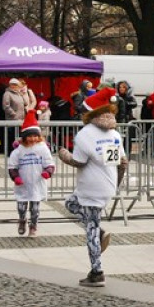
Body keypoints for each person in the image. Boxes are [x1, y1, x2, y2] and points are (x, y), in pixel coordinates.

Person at [57, 87, 127, 287]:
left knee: (91, 231)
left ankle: (97, 272)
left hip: (91, 186)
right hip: (107, 183)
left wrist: (63, 154)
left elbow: (78, 161)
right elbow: (123, 162)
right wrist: (115, 184)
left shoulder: (85, 134)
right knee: (71, 203)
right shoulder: (114, 133)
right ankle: (99, 230)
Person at [7, 111, 55, 237]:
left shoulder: (43, 148)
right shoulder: (18, 150)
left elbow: (49, 163)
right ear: (24, 137)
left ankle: (33, 226)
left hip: (37, 182)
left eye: (35, 136)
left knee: (35, 208)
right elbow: (12, 166)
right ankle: (22, 220)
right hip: (23, 183)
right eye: (29, 136)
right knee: (21, 207)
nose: (32, 139)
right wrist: (15, 177)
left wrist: (47, 172)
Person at [2, 77, 27, 152]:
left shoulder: (19, 94)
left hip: (20, 120)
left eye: (16, 85)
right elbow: (6, 106)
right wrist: (13, 114)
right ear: (9, 85)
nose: (14, 86)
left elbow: (25, 103)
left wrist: (23, 94)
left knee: (18, 137)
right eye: (12, 84)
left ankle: (18, 152)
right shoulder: (7, 94)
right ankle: (10, 152)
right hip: (12, 120)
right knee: (11, 138)